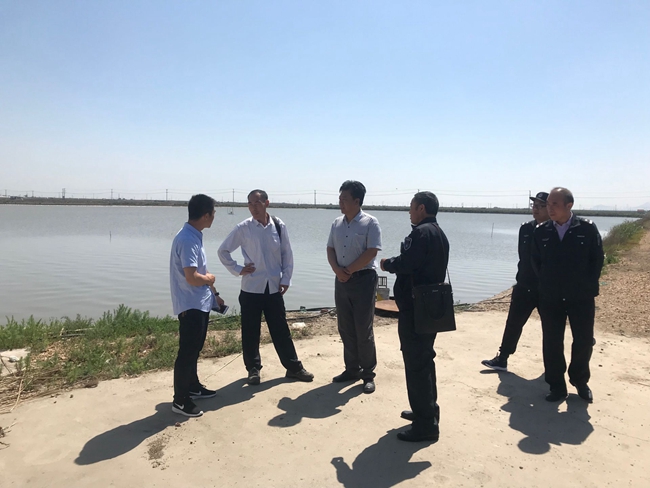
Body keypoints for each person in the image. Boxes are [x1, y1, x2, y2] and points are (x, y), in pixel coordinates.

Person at [218, 189, 314, 385]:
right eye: (250, 204)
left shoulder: (278, 225)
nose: (253, 208)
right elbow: (223, 251)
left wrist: (286, 279)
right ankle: (253, 369)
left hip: (274, 287)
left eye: (257, 203)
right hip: (251, 288)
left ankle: (294, 367)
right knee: (250, 331)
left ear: (266, 203)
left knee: (281, 329)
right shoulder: (243, 228)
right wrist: (238, 269)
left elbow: (287, 254)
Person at [380, 191, 449, 442]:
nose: (409, 211)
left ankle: (425, 424)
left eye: (411, 206)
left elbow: (407, 263)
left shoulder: (420, 233)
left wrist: (387, 264)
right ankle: (428, 410)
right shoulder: (439, 232)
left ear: (421, 208)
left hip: (416, 307)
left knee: (416, 363)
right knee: (425, 359)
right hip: (430, 306)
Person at [532, 187, 604, 403]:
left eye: (554, 204)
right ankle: (556, 386)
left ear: (569, 205)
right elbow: (536, 262)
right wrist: (546, 284)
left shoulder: (587, 229)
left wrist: (586, 285)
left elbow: (596, 260)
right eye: (548, 204)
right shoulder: (541, 231)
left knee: (583, 340)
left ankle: (580, 380)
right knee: (552, 342)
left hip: (580, 297)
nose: (549, 208)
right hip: (551, 297)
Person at [482, 192, 550, 371]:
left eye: (540, 206)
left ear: (550, 208)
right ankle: (502, 358)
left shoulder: (554, 230)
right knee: (513, 323)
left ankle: (552, 366)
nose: (535, 209)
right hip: (524, 285)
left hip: (547, 289)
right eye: (534, 206)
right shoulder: (526, 228)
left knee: (551, 329)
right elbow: (523, 256)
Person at [169, 194, 224, 417]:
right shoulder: (188, 240)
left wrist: (214, 294)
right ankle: (180, 400)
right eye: (213, 213)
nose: (214, 217)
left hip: (199, 303)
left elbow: (199, 271)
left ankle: (192, 386)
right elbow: (192, 277)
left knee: (194, 350)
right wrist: (209, 278)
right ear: (206, 215)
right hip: (190, 304)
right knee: (187, 352)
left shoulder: (193, 236)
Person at [327, 180, 382, 394]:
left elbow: (372, 251)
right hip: (341, 280)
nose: (340, 203)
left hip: (363, 279)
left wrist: (348, 270)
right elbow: (330, 249)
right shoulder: (336, 223)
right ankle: (351, 369)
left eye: (344, 199)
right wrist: (337, 270)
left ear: (357, 201)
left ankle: (368, 374)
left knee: (363, 328)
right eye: (339, 199)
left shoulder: (370, 223)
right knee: (345, 327)